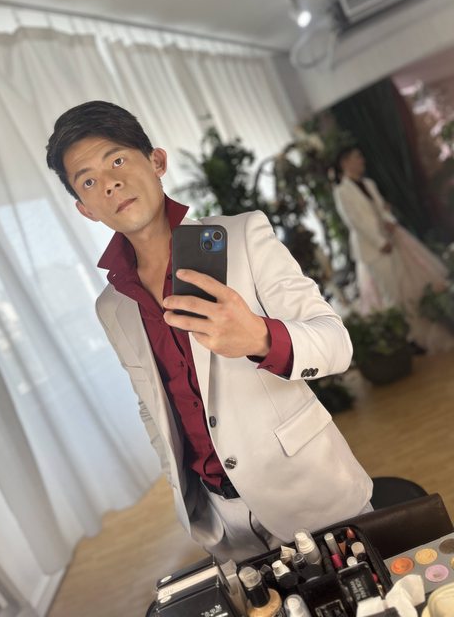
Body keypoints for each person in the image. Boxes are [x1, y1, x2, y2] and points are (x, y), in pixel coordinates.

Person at [46, 101, 372, 563]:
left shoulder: (242, 237)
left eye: (116, 160)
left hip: (311, 492)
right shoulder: (112, 306)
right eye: (88, 181)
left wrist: (260, 338)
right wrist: (185, 492)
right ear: (85, 210)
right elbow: (151, 404)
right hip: (222, 525)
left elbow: (337, 344)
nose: (109, 183)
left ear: (157, 161)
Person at [333, 146, 453, 354]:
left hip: (391, 240)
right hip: (373, 250)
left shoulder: (368, 184)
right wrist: (380, 242)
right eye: (357, 157)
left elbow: (381, 208)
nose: (362, 160)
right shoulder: (342, 191)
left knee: (405, 287)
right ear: (345, 162)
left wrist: (389, 222)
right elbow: (357, 222)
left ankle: (416, 333)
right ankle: (408, 339)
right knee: (391, 292)